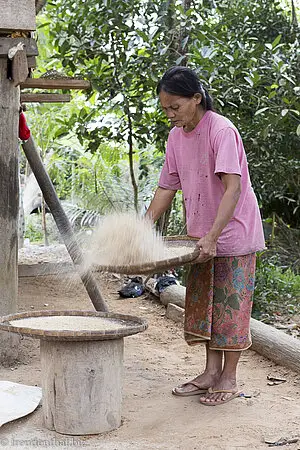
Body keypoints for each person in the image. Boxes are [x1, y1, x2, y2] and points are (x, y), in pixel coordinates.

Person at [146, 66, 265, 406]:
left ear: (196, 99)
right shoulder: (175, 137)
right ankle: (211, 373)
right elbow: (166, 188)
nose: (169, 114)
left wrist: (214, 236)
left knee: (230, 308)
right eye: (165, 108)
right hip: (199, 238)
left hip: (232, 235)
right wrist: (141, 227)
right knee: (206, 308)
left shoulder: (221, 130)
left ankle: (229, 377)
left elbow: (233, 188)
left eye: (175, 107)